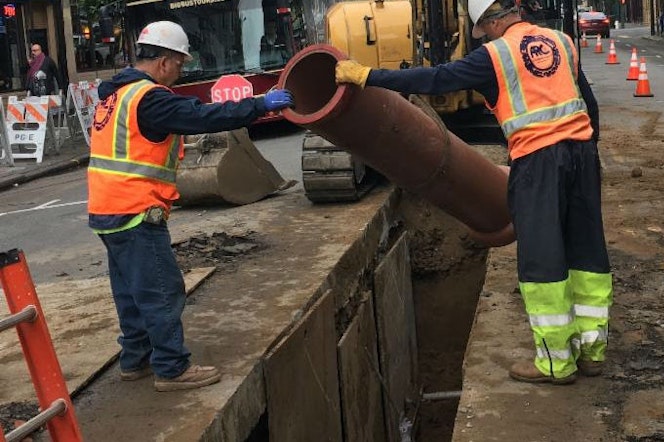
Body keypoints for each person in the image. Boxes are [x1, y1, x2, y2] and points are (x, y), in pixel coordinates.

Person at [335, 0, 612, 385]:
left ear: (492, 22)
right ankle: (593, 352)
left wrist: (368, 76)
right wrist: (588, 155)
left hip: (538, 161)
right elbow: (589, 104)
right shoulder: (560, 41)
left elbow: (432, 80)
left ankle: (556, 362)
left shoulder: (493, 56)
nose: (485, 37)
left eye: (484, 31)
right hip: (581, 155)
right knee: (586, 250)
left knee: (543, 256)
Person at [87, 21, 294, 392]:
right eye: (180, 65)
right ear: (164, 62)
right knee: (162, 290)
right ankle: (171, 368)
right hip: (136, 210)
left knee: (130, 292)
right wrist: (259, 104)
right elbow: (203, 117)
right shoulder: (149, 98)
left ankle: (135, 359)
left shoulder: (115, 95)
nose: (179, 73)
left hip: (107, 211)